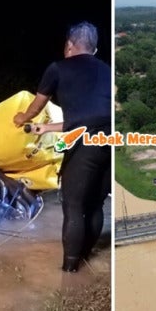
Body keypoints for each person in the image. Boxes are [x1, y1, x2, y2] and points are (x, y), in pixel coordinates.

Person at [14, 21, 111, 273]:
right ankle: (87, 257)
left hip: (85, 144)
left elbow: (37, 107)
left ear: (69, 45)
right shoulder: (107, 70)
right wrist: (46, 129)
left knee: (74, 205)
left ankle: (69, 272)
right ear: (95, 49)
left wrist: (22, 118)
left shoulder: (58, 68)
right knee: (96, 204)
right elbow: (87, 118)